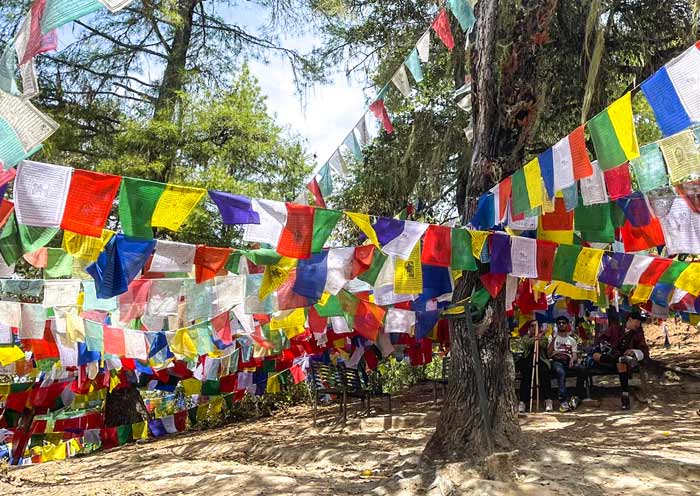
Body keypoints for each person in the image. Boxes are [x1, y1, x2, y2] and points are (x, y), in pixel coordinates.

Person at [591, 310, 649, 410]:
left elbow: (644, 351)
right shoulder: (614, 329)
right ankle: (625, 394)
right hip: (608, 360)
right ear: (630, 319)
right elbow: (601, 341)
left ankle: (625, 395)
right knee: (597, 356)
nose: (638, 325)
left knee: (621, 362)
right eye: (637, 322)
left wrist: (633, 351)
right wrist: (607, 347)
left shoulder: (637, 334)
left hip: (624, 363)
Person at [547, 316, 586, 412]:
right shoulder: (552, 338)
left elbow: (574, 354)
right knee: (560, 372)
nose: (561, 324)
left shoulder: (571, 340)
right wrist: (553, 339)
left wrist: (572, 360)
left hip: (568, 361)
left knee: (582, 369)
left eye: (563, 323)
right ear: (556, 325)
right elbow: (548, 354)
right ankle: (563, 400)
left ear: (567, 325)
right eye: (559, 323)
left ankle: (577, 395)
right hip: (557, 362)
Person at [516, 320, 553, 413]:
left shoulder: (544, 338)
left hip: (541, 361)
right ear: (529, 328)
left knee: (545, 375)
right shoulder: (525, 337)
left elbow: (543, 345)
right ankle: (523, 402)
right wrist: (536, 337)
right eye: (532, 326)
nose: (534, 328)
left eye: (536, 326)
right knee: (526, 378)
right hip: (528, 362)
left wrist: (539, 337)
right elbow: (527, 344)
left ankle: (547, 400)